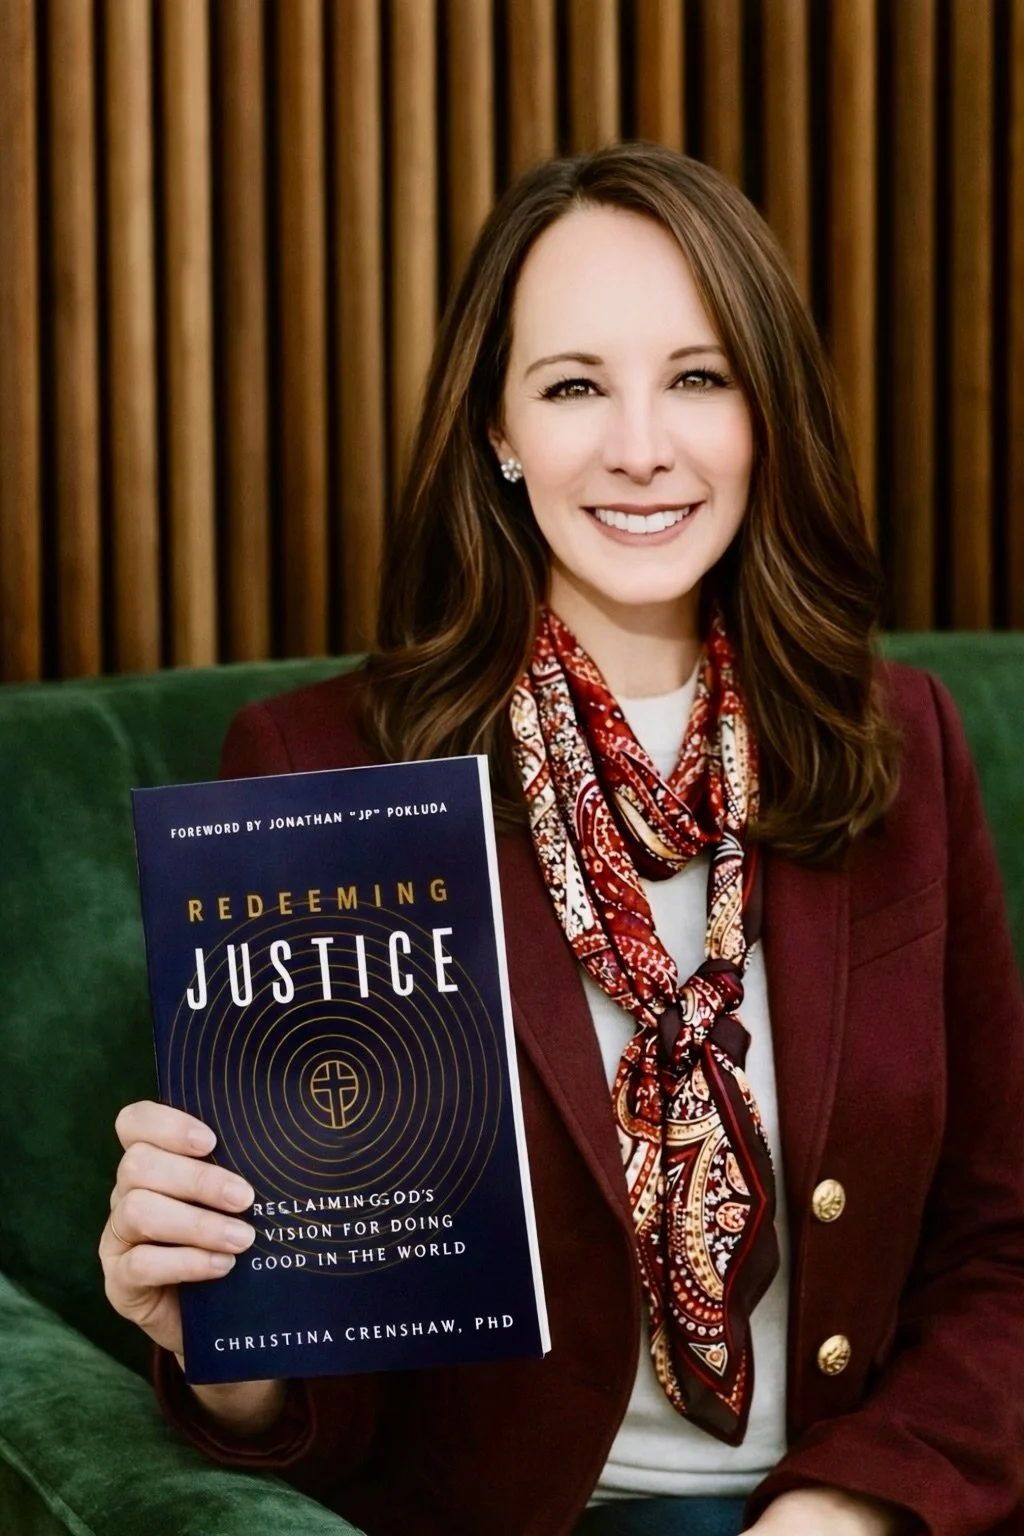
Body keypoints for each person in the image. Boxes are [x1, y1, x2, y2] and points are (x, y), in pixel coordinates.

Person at [99, 143, 1024, 1536]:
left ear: (763, 412)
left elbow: (1003, 1248)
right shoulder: (319, 774)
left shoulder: (902, 740)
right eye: (575, 384)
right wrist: (225, 1347)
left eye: (699, 378)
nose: (641, 445)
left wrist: (851, 1509)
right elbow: (337, 1344)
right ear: (498, 429)